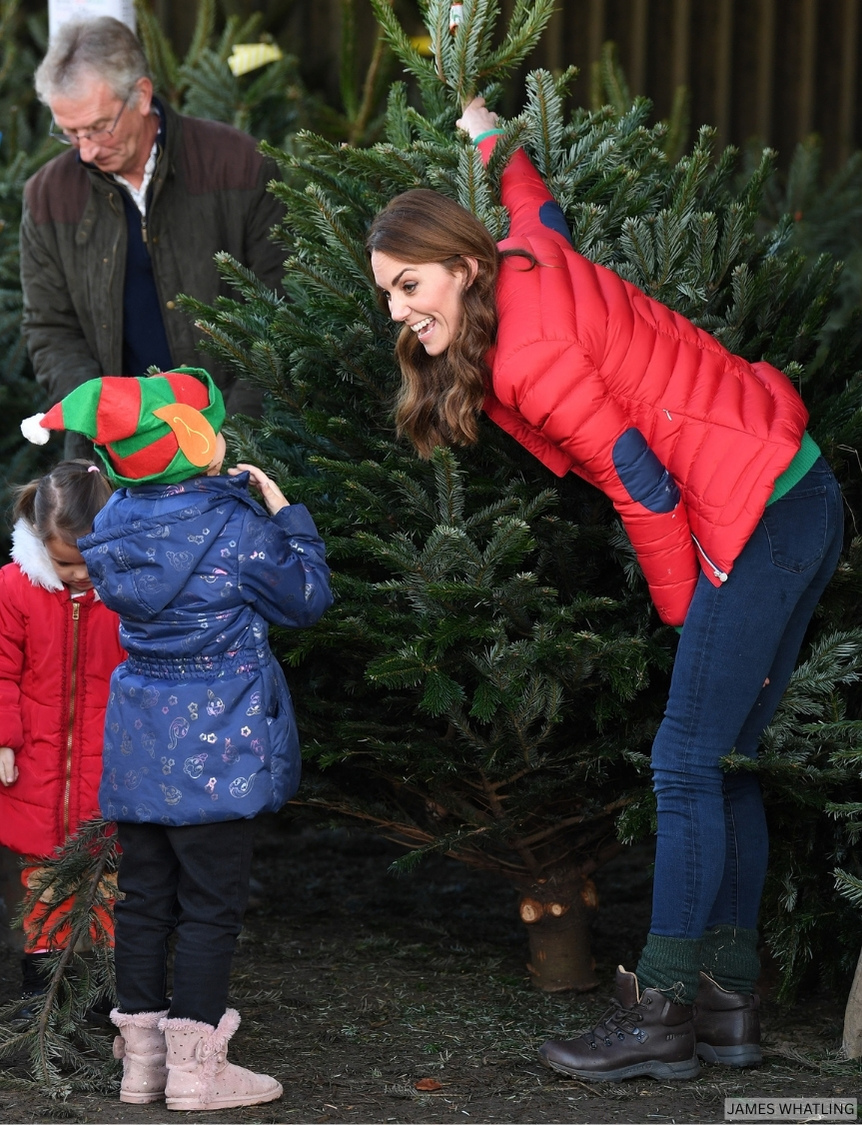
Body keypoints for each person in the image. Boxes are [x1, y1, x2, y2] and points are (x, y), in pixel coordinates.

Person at [366, 97, 844, 1083]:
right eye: (386, 293)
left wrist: (686, 612)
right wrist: (492, 139)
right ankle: (727, 1006)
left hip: (750, 511)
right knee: (728, 762)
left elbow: (642, 483)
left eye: (410, 284)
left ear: (463, 267)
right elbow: (540, 206)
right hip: (797, 488)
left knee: (681, 763)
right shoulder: (525, 259)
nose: (400, 310)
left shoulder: (528, 358)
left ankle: (661, 1013)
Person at [21, 367, 333, 1110]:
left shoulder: (112, 523)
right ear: (198, 441)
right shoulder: (236, 527)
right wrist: (290, 516)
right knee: (211, 902)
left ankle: (143, 1065)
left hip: (138, 735)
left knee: (146, 897)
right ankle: (197, 1071)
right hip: (219, 737)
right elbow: (308, 598)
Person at [20, 16, 285, 458]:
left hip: (239, 440)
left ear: (141, 95)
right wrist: (100, 417)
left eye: (99, 127)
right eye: (69, 133)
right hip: (108, 454)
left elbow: (281, 309)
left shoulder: (240, 165)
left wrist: (234, 438)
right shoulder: (48, 195)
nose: (86, 150)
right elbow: (50, 329)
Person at [0, 460, 124, 1014]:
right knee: (43, 874)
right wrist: (4, 737)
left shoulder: (126, 595)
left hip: (108, 764)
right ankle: (42, 988)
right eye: (65, 563)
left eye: (87, 563)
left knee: (102, 874)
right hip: (36, 765)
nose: (78, 575)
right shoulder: (13, 589)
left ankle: (98, 987)